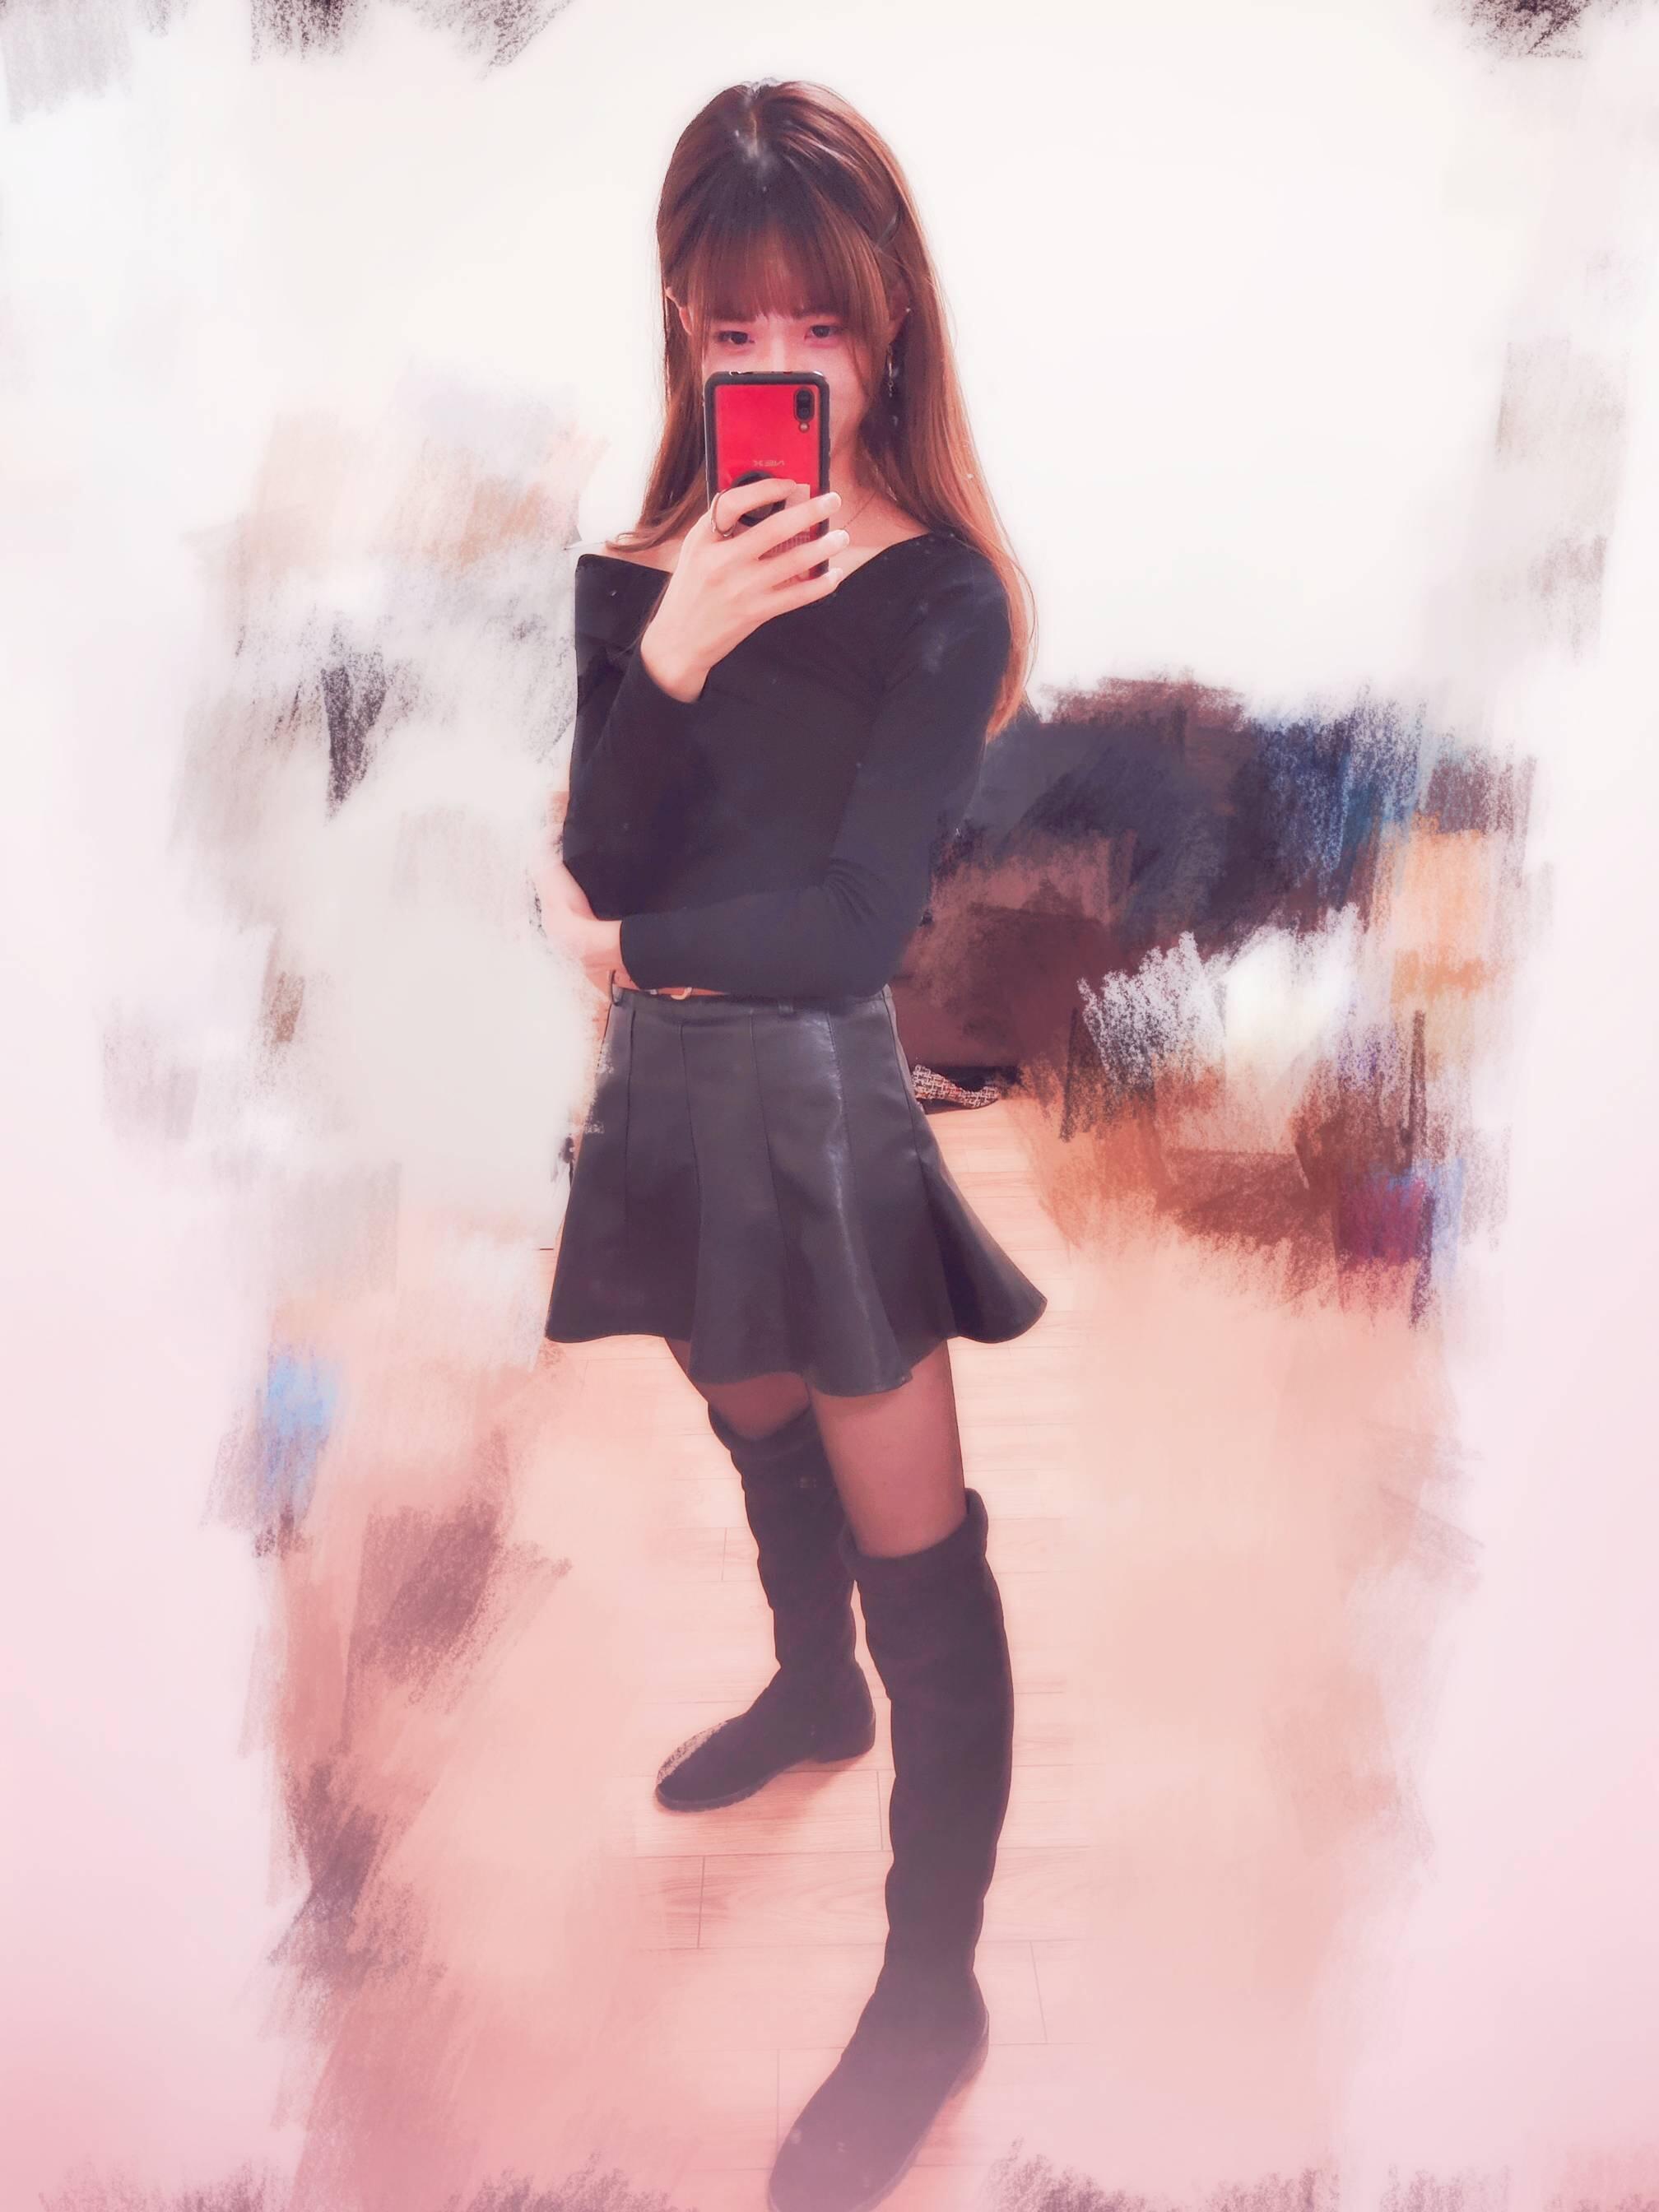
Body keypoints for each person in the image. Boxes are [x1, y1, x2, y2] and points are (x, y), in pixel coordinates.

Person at [536, 78, 1049, 2212]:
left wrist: (619, 950)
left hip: (823, 1102)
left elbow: (837, 928)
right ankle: (805, 1692)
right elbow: (602, 838)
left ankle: (933, 1992)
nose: (777, 365)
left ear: (888, 319)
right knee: (753, 1429)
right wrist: (673, 652)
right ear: (681, 322)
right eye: (733, 326)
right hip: (667, 1109)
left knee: (917, 1543)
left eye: (816, 325)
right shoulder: (628, 583)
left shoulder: (941, 598)